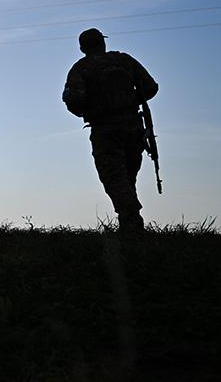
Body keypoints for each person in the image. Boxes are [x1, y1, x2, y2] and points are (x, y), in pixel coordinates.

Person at [62, 28, 158, 234]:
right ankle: (130, 225)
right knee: (127, 176)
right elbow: (151, 87)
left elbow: (74, 101)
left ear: (82, 48)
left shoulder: (82, 68)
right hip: (133, 128)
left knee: (114, 177)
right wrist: (129, 101)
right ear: (102, 43)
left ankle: (132, 221)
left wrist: (94, 108)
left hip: (105, 130)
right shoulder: (124, 60)